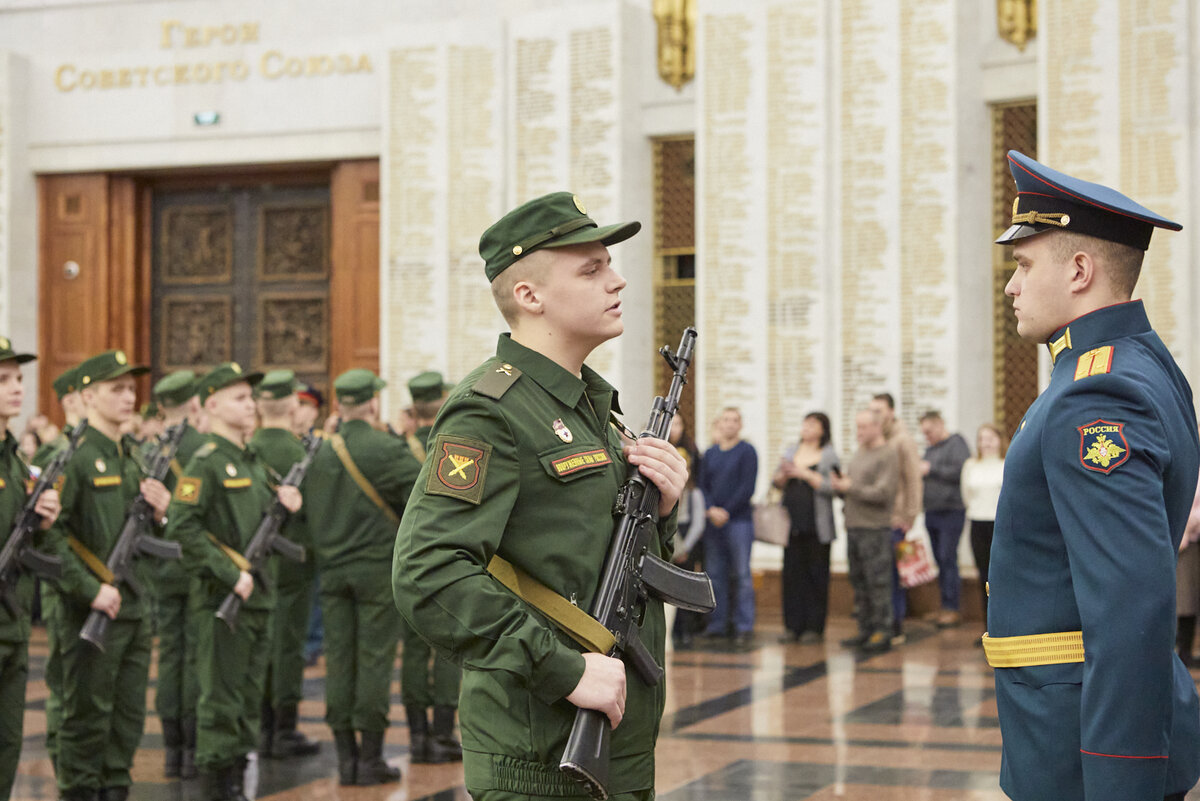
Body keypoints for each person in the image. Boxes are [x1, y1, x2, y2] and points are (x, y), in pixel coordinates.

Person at [392, 191, 687, 801]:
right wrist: (564, 669)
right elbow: (427, 572)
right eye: (592, 268)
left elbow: (598, 555)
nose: (618, 280)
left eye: (609, 264)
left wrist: (663, 510)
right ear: (529, 296)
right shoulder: (490, 413)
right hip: (540, 760)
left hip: (618, 747)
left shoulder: (596, 411)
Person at [988, 150, 1200, 801]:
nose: (1011, 286)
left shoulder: (1097, 391)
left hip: (1079, 751)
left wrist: (1120, 779)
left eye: (1024, 265)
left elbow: (1130, 609)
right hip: (1074, 727)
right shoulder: (1141, 362)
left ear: (1080, 269)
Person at [165, 363, 302, 801]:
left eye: (251, 398)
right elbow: (182, 528)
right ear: (211, 405)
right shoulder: (204, 463)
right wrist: (231, 575)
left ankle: (236, 784)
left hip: (258, 599)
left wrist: (284, 500)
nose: (251, 405)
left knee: (245, 702)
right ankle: (215, 788)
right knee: (220, 704)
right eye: (241, 398)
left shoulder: (251, 459)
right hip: (222, 601)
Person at [46, 350, 172, 801]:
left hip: (134, 607)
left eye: (129, 387)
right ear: (87, 396)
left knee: (127, 718)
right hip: (88, 610)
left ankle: (116, 788)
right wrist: (90, 590)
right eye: (115, 388)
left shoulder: (132, 456)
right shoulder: (74, 458)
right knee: (85, 719)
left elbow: (148, 535)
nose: (128, 395)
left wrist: (160, 515)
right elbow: (48, 538)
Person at [304, 368, 421, 784]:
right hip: (375, 571)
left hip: (331, 571)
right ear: (372, 403)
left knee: (339, 660)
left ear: (338, 405)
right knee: (373, 660)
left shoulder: (317, 451)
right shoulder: (384, 449)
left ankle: (345, 759)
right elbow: (420, 502)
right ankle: (369, 758)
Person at [0, 337, 61, 800]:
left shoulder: (18, 462)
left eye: (18, 378)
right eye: (3, 380)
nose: (16, 388)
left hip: (14, 624)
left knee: (7, 747)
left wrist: (41, 522)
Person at [251, 370, 321, 760]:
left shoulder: (246, 448)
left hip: (254, 566)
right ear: (293, 405)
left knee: (261, 641)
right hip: (293, 565)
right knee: (289, 644)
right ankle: (283, 728)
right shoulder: (298, 452)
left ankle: (261, 725)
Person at [399, 370, 464, 765]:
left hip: (405, 565)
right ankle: (441, 734)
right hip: (448, 566)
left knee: (410, 652)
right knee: (446, 652)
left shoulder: (398, 449)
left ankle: (416, 735)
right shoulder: (453, 447)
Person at [147, 370, 210, 779]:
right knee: (196, 656)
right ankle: (191, 746)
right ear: (194, 404)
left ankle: (172, 748)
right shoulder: (200, 449)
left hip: (160, 568)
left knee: (170, 655)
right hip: (195, 566)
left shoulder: (146, 450)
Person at [833, 408, 899, 654]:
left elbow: (883, 493)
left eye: (863, 427)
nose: (858, 432)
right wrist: (841, 487)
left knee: (878, 582)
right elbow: (853, 488)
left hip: (875, 528)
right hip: (854, 526)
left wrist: (851, 487)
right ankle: (865, 628)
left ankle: (883, 630)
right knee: (859, 581)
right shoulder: (860, 452)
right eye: (857, 427)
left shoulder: (888, 454)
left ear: (877, 426)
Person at [772, 412, 839, 644]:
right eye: (805, 423)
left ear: (823, 429)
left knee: (816, 576)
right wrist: (782, 475)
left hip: (817, 526)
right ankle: (792, 626)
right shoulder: (792, 450)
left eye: (813, 424)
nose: (807, 428)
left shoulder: (829, 454)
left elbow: (835, 486)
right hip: (792, 524)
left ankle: (814, 627)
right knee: (792, 576)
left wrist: (805, 473)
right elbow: (775, 481)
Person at [697, 407, 759, 647]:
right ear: (719, 424)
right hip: (713, 524)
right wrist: (711, 509)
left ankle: (744, 626)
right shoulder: (711, 453)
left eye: (735, 420)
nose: (730, 424)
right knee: (715, 576)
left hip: (739, 522)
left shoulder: (747, 451)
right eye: (725, 420)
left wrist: (727, 511)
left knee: (742, 575)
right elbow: (702, 486)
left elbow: (747, 487)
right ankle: (717, 625)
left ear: (740, 425)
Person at [868, 392, 922, 643]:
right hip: (877, 518)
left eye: (878, 410)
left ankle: (896, 624)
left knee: (894, 574)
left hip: (897, 519)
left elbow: (913, 478)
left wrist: (910, 515)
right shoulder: (877, 438)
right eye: (871, 411)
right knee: (879, 573)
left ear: (891, 411)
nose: (874, 415)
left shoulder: (902, 440)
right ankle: (881, 623)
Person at [917, 411, 970, 627]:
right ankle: (943, 605)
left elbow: (961, 471)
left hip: (951, 510)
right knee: (939, 559)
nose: (927, 436)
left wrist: (931, 469)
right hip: (932, 510)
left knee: (947, 556)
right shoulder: (930, 449)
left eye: (929, 431)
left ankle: (952, 607)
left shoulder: (956, 443)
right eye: (924, 433)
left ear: (940, 425)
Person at [960, 423, 1005, 631]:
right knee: (983, 577)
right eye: (981, 439)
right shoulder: (971, 465)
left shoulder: (1006, 462)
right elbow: (966, 496)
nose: (985, 443)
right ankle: (988, 627)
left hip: (1000, 525)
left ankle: (1004, 626)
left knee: (1002, 576)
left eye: (990, 438)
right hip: (977, 523)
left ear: (999, 440)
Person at [1176, 468, 1200, 667]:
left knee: (1189, 600)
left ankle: (1186, 651)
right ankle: (1182, 652)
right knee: (1184, 600)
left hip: (1190, 540)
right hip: (1181, 541)